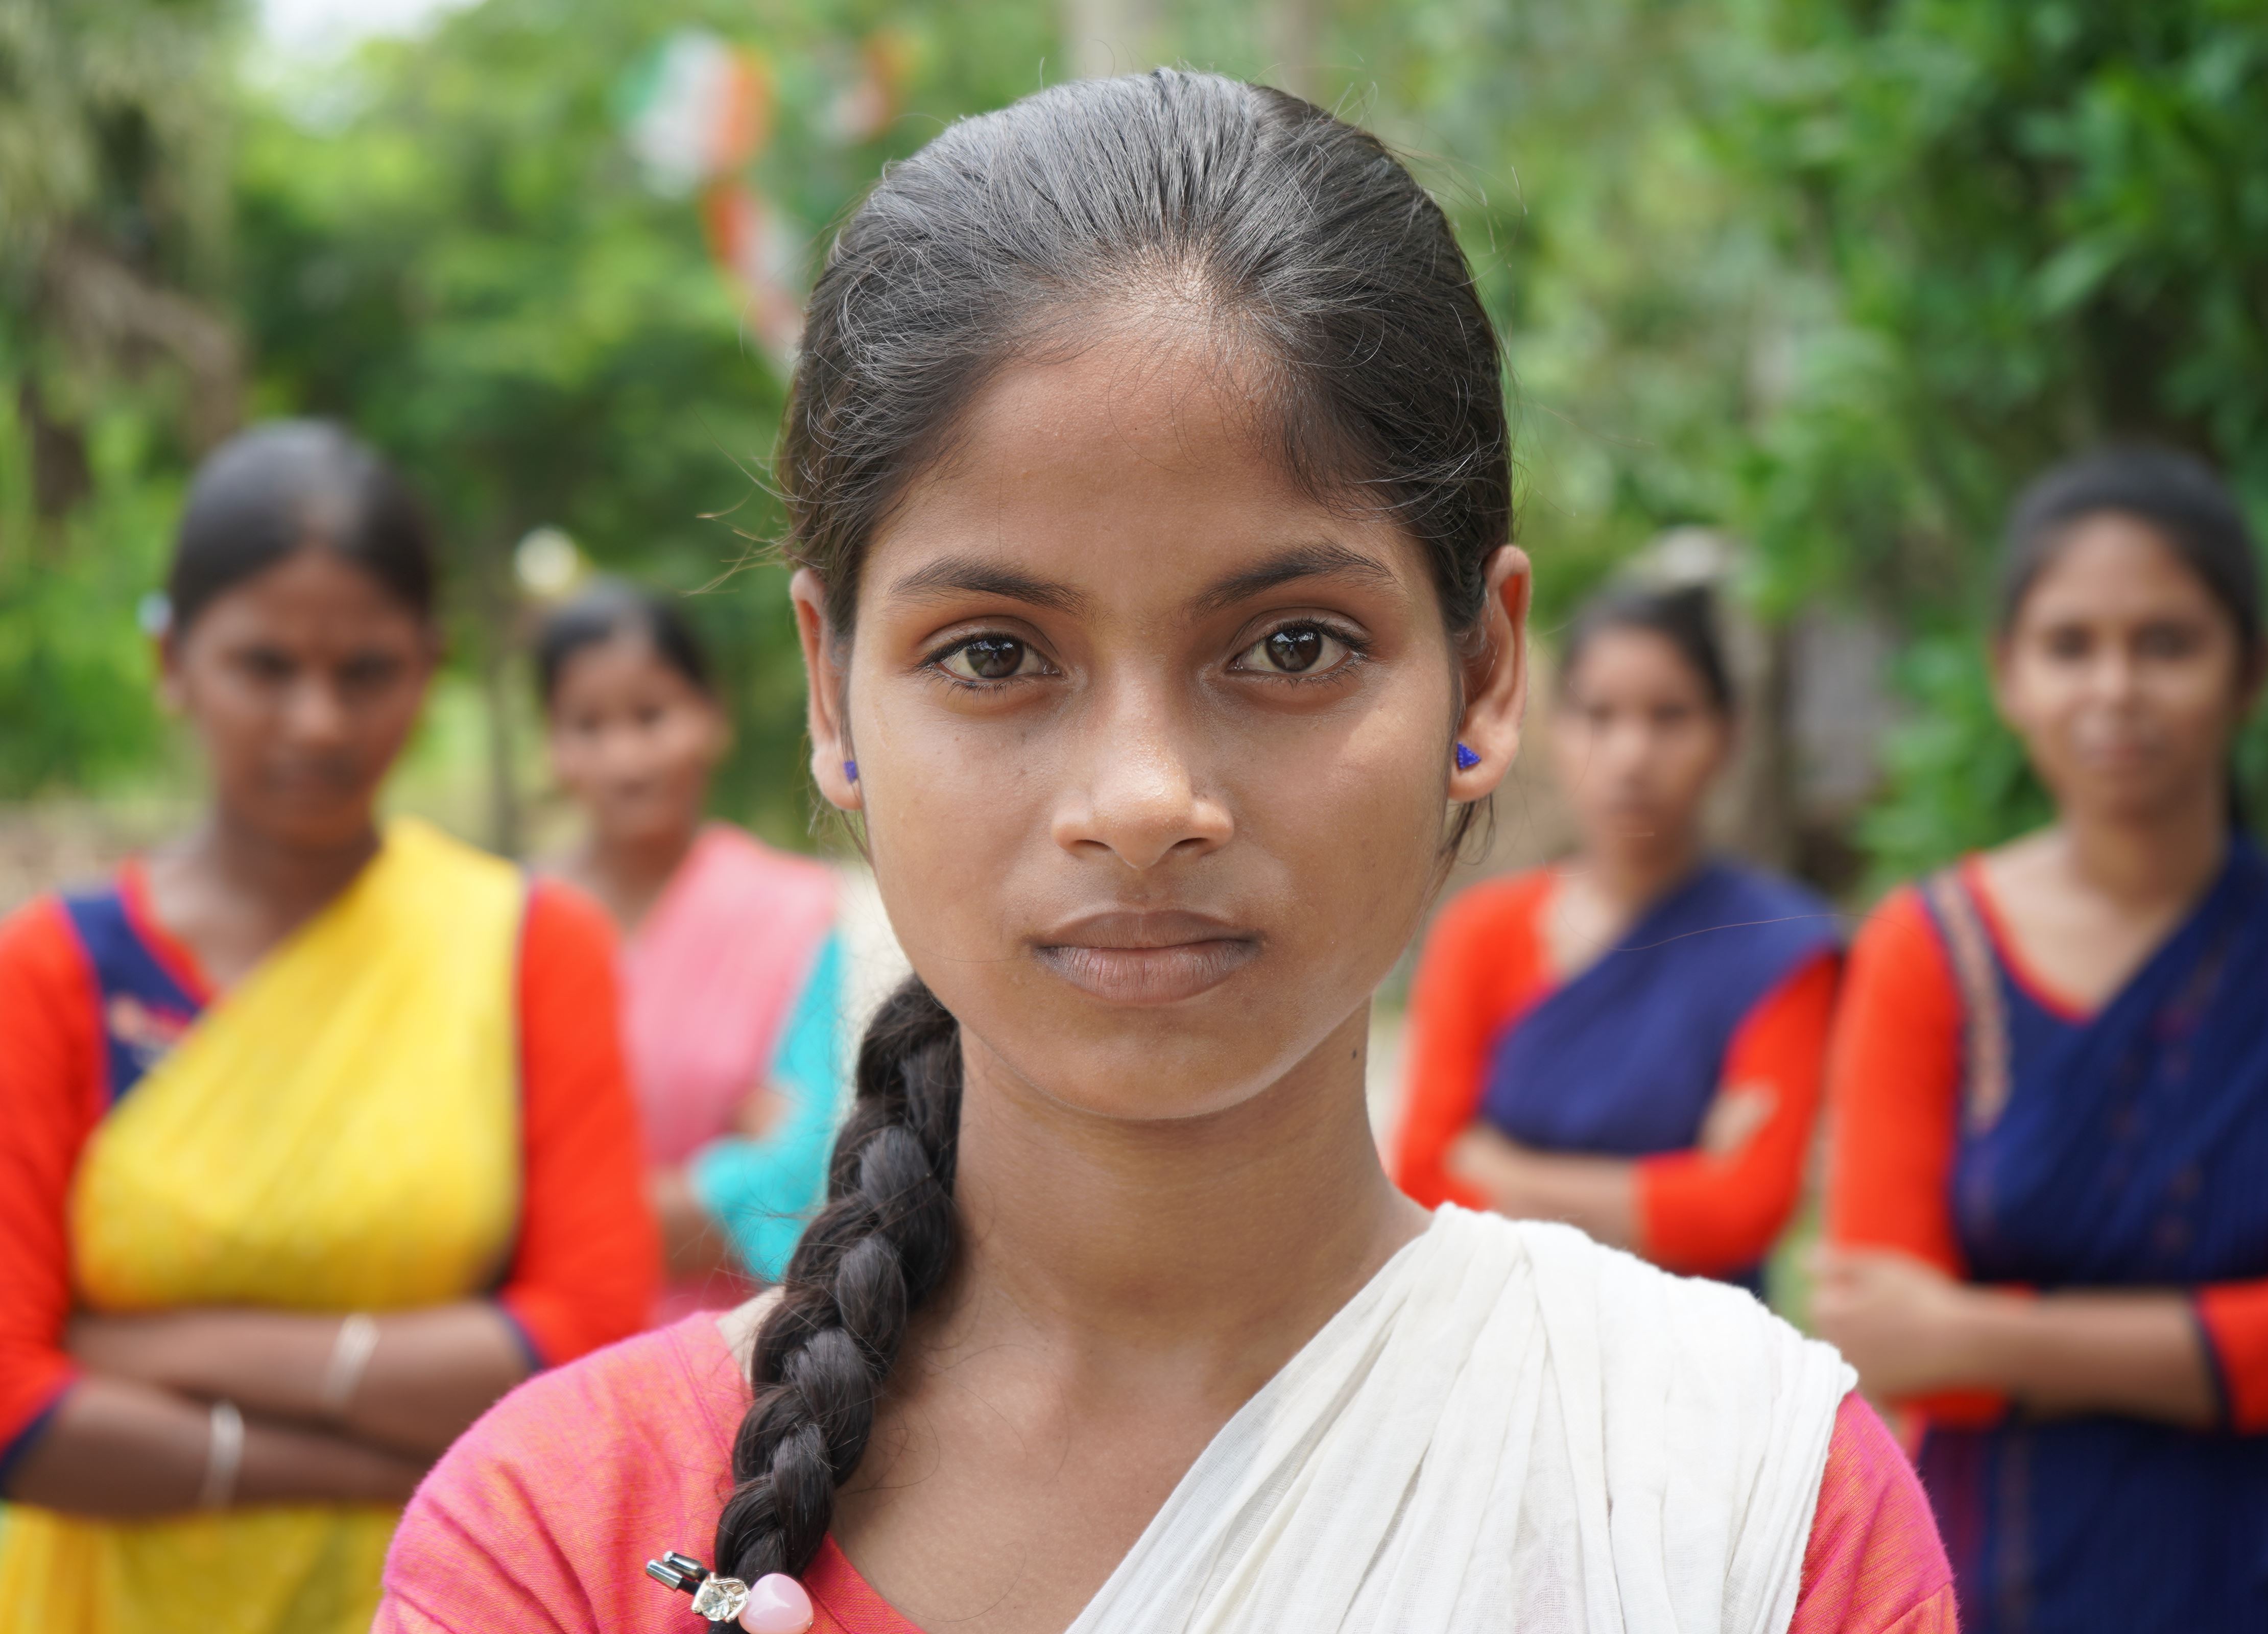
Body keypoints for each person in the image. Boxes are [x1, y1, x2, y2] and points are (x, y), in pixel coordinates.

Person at [375, 72, 1955, 1634]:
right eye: (994, 656)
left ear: (1482, 676)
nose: (1142, 798)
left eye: (1290, 645)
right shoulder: (561, 1539)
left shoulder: (1736, 1502)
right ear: (829, 693)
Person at [0, 422, 659, 1632]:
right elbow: (14, 1414)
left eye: (364, 671)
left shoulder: (527, 946)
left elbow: (587, 1340)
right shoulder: (54, 972)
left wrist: (155, 1348)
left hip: (441, 1599)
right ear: (172, 659)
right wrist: (379, 1459)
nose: (316, 722)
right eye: (264, 666)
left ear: (429, 665)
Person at [1815, 446, 2268, 1633]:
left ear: (2252, 671)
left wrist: (1982, 1331)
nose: (2115, 688)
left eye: (2167, 643)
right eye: (2070, 646)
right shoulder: (1929, 949)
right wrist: (2245, 1356)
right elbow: (1890, 1341)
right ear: (2007, 675)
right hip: (1998, 1570)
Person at [1391, 581, 1839, 1290]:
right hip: (1499, 1333)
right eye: (1598, 715)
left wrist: (1500, 1170)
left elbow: (1744, 1209)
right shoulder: (1483, 932)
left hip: (1699, 1359)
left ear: (1729, 734)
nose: (1631, 754)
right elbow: (1422, 1175)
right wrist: (1673, 1188)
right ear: (1553, 728)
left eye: (1670, 716)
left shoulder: (1778, 948)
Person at [535, 581, 851, 1320]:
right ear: (553, 747)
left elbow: (792, 1182)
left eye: (652, 716)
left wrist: (558, 1217)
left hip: (738, 1363)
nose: (627, 756)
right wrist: (713, 1180)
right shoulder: (510, 926)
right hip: (533, 1349)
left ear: (713, 718)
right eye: (589, 726)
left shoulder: (795, 915)